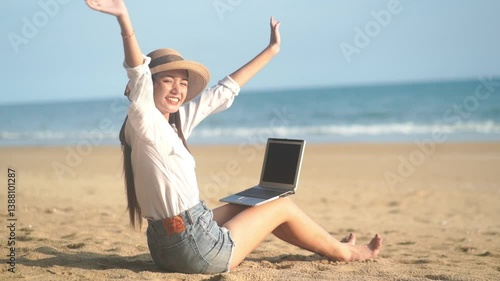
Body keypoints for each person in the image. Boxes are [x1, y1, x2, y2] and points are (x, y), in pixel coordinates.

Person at [85, 0, 383, 275]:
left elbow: (222, 92)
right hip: (194, 248)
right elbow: (137, 73)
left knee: (254, 201)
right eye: (167, 81)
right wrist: (124, 19)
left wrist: (271, 51)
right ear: (150, 87)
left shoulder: (173, 125)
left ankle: (326, 243)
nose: (177, 89)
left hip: (168, 245)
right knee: (282, 207)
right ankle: (346, 253)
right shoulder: (144, 119)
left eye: (182, 83)